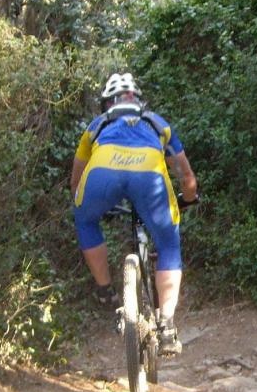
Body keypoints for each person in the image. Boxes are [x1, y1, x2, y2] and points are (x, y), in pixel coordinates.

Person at [71, 70, 198, 355]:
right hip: (149, 177)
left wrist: (89, 206)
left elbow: (75, 181)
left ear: (107, 103)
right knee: (167, 242)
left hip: (102, 175)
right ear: (139, 101)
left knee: (84, 218)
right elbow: (186, 176)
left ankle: (105, 290)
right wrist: (188, 198)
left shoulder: (96, 126)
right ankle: (166, 326)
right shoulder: (157, 124)